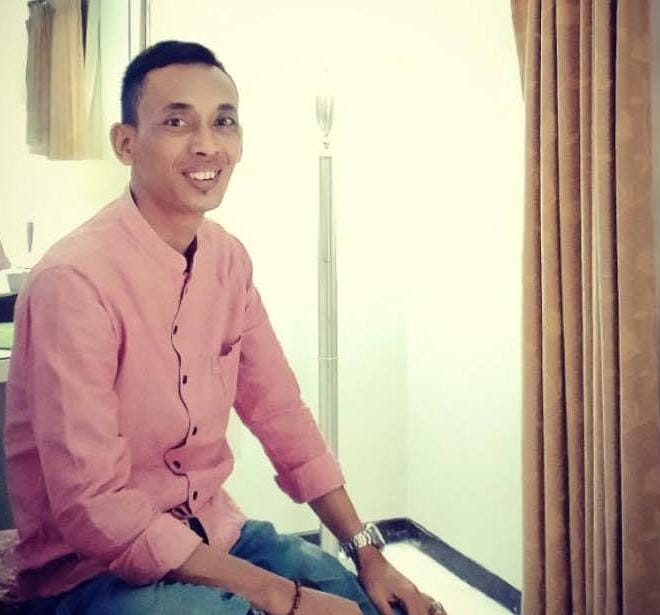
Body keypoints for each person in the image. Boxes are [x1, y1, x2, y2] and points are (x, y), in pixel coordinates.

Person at [4, 41, 447, 615]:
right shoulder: (74, 282)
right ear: (126, 143)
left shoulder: (227, 260)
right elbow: (96, 508)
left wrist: (368, 553)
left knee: (360, 600)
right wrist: (280, 597)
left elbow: (281, 415)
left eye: (223, 121)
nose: (207, 144)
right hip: (90, 573)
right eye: (176, 122)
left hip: (214, 531)